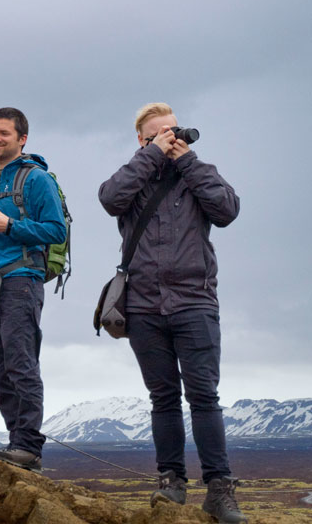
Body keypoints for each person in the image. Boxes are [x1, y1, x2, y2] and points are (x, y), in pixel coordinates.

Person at [98, 103, 245, 523]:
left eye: (175, 131)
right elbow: (109, 199)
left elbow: (228, 210)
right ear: (141, 139)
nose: (171, 138)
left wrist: (188, 161)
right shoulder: (135, 178)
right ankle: (171, 481)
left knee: (204, 397)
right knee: (162, 398)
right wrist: (151, 156)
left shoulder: (198, 172)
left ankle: (219, 488)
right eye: (159, 134)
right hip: (144, 306)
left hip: (195, 302)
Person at [0, 107, 66, 471]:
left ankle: (28, 446)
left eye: (3, 133)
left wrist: (10, 226)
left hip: (21, 280)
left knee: (21, 364)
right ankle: (16, 445)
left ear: (22, 138)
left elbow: (56, 231)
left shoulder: (37, 180)